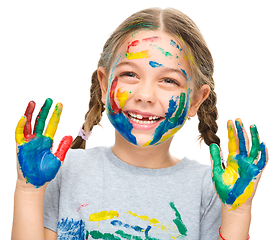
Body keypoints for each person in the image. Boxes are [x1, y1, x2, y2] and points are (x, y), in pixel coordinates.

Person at [12, 7, 268, 240]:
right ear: (103, 84)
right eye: (130, 74)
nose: (145, 95)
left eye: (169, 80)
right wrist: (29, 191)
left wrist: (237, 214)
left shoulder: (209, 189)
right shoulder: (64, 171)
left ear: (195, 101)